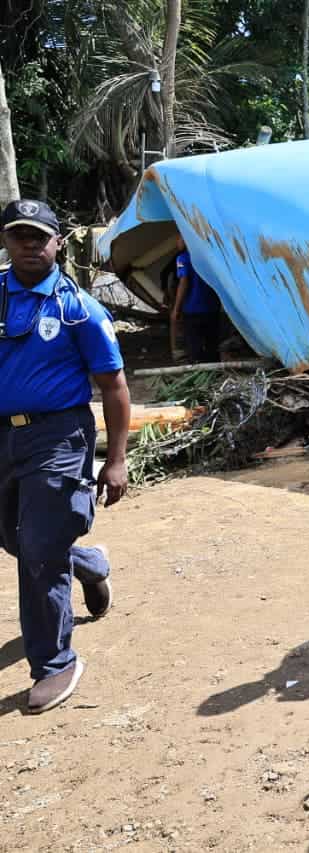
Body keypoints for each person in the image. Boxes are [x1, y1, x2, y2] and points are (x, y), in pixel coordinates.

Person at [0, 199, 131, 714]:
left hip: (57, 437)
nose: (30, 245)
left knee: (38, 546)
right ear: (7, 241)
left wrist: (115, 459)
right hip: (1, 439)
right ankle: (87, 562)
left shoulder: (77, 308)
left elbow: (114, 386)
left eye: (40, 236)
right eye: (19, 235)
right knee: (14, 536)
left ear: (58, 242)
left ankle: (54, 663)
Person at [172, 235, 222, 364]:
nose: (176, 242)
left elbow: (184, 282)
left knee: (194, 346)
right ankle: (214, 373)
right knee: (212, 344)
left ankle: (198, 369)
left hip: (193, 309)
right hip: (212, 308)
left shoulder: (183, 258)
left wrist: (176, 309)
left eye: (179, 238)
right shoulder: (208, 257)